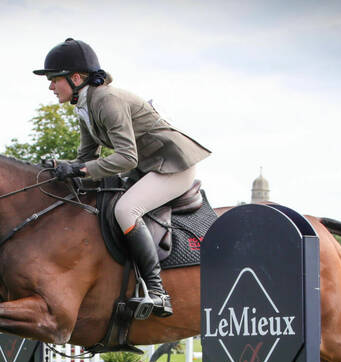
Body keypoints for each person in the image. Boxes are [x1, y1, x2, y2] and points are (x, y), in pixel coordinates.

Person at [34, 38, 210, 318]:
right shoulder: (85, 106)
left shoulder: (107, 100)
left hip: (173, 165)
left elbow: (126, 157)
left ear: (76, 77)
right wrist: (61, 166)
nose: (50, 86)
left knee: (126, 210)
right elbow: (85, 158)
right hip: (147, 166)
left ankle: (157, 292)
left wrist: (78, 169)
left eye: (54, 79)